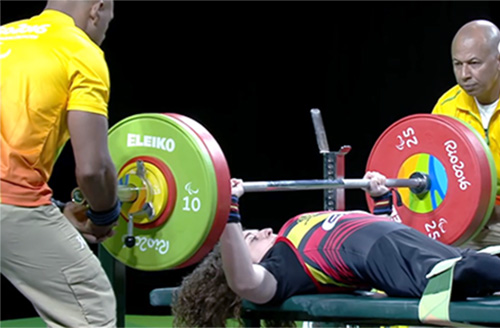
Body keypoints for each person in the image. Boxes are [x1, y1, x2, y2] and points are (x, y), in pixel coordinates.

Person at [171, 172, 500, 327]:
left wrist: (382, 200)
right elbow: (241, 280)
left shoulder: (291, 229)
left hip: (408, 248)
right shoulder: (280, 274)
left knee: (481, 262)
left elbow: (372, 231)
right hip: (404, 266)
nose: (264, 232)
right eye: (252, 238)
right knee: (476, 271)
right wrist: (230, 213)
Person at [0, 1, 120, 326]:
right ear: (98, 9)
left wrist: (52, 207)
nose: (107, 28)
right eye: (109, 17)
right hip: (9, 201)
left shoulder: (5, 35)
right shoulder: (80, 51)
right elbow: (93, 170)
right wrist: (104, 213)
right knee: (91, 307)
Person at [432, 19, 500, 249]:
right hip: (468, 222)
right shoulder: (447, 107)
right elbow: (435, 172)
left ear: (498, 60)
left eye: (474, 63)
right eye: (457, 64)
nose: (464, 75)